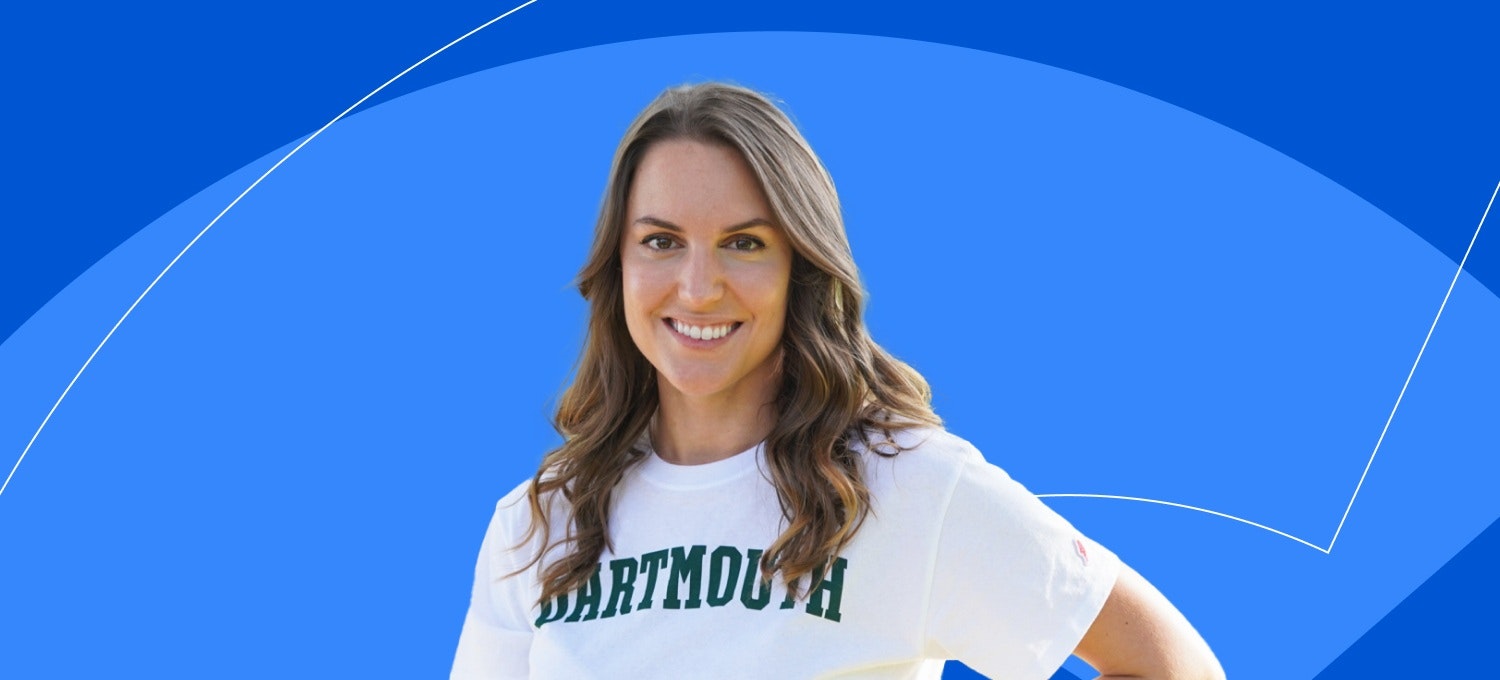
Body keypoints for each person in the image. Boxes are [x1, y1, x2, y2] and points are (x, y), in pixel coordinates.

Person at [452, 82, 1224, 680]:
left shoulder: (906, 488)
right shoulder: (538, 523)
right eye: (660, 241)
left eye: (744, 243)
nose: (696, 286)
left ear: (801, 268)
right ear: (617, 266)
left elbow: (1171, 665)